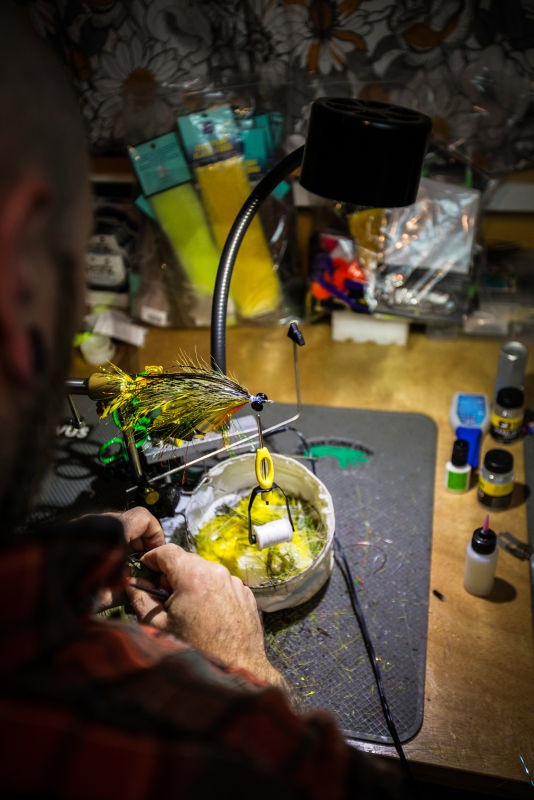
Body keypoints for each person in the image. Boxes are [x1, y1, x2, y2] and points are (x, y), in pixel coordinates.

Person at [0, 4, 403, 797]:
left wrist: (62, 558)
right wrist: (240, 668)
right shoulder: (217, 756)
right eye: (77, 265)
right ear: (15, 280)